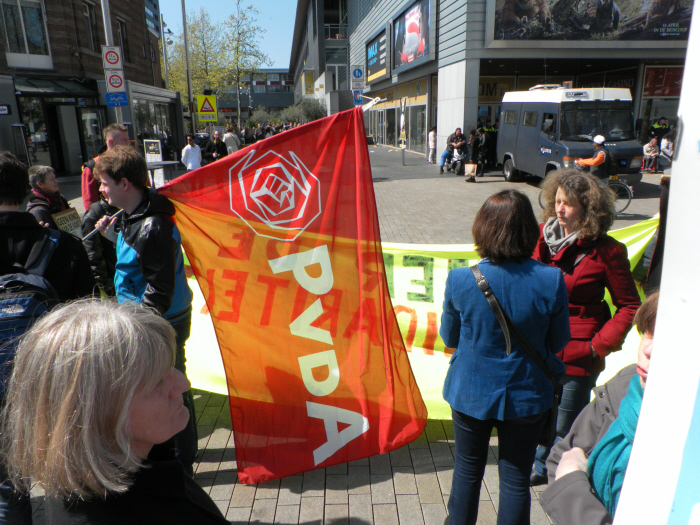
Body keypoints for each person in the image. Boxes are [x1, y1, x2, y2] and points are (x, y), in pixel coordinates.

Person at [1, 300, 229, 525]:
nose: (183, 384)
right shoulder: (112, 513)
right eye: (156, 381)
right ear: (93, 411)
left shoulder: (138, 462)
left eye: (170, 367)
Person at [441, 189, 569, 525]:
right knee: (515, 481)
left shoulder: (460, 279)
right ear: (530, 231)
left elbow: (449, 337)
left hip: (470, 391)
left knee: (466, 472)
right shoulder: (551, 279)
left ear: (482, 228)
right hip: (527, 394)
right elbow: (558, 342)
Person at [0, 151, 96, 524]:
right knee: (65, 473)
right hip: (53, 382)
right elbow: (86, 317)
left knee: (8, 489)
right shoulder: (64, 246)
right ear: (28, 190)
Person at [530, 169, 641, 486]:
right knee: (538, 414)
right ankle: (538, 459)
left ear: (589, 210)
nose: (559, 209)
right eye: (558, 201)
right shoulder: (539, 238)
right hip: (538, 347)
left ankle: (553, 472)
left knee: (567, 422)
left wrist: (596, 347)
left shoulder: (608, 251)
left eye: (569, 204)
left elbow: (630, 305)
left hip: (579, 352)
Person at [93, 146, 197, 474]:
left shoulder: (152, 224)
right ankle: (171, 454)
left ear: (125, 183)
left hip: (158, 323)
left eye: (104, 183)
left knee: (170, 388)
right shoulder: (134, 215)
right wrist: (112, 238)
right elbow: (140, 263)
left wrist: (139, 329)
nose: (99, 189)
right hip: (150, 319)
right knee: (163, 386)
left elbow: (159, 288)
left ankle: (179, 462)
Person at [540, 291, 659, 525]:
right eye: (648, 333)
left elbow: (565, 465)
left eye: (670, 341)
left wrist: (571, 478)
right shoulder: (625, 385)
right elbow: (561, 454)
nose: (648, 349)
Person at [82, 124, 130, 211]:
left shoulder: (131, 161)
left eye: (128, 140)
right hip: (107, 218)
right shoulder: (92, 167)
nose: (128, 143)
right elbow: (90, 203)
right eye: (124, 140)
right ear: (111, 142)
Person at [81, 195, 120, 296]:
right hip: (113, 282)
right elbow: (93, 255)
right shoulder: (93, 216)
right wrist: (107, 287)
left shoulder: (126, 210)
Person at [26, 165, 70, 230]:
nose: (56, 181)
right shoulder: (38, 210)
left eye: (55, 178)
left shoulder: (60, 199)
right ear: (40, 184)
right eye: (52, 179)